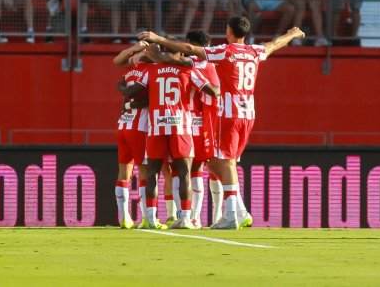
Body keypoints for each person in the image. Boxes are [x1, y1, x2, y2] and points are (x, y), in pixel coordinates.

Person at [138, 18, 306, 229]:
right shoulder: (254, 51)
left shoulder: (225, 52)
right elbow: (273, 44)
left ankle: (232, 214)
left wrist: (159, 38)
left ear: (229, 31)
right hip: (248, 114)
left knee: (220, 162)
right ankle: (238, 211)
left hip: (228, 114)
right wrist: (292, 33)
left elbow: (190, 49)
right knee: (225, 162)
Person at [132, 44, 219, 230]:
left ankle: (150, 218)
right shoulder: (189, 70)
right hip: (181, 126)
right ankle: (186, 218)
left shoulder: (152, 70)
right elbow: (214, 91)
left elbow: (133, 91)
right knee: (184, 172)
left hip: (157, 126)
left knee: (152, 173)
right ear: (179, 54)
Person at [111, 41, 151, 229]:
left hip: (123, 125)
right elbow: (145, 98)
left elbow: (118, 62)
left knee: (124, 171)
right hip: (139, 127)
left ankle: (124, 216)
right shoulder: (151, 72)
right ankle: (146, 216)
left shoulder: (129, 73)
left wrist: (124, 95)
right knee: (144, 171)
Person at [185, 30, 220, 228]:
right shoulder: (214, 65)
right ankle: (214, 216)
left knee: (194, 168)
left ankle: (194, 216)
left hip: (196, 121)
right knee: (210, 168)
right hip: (210, 121)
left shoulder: (194, 65)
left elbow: (213, 92)